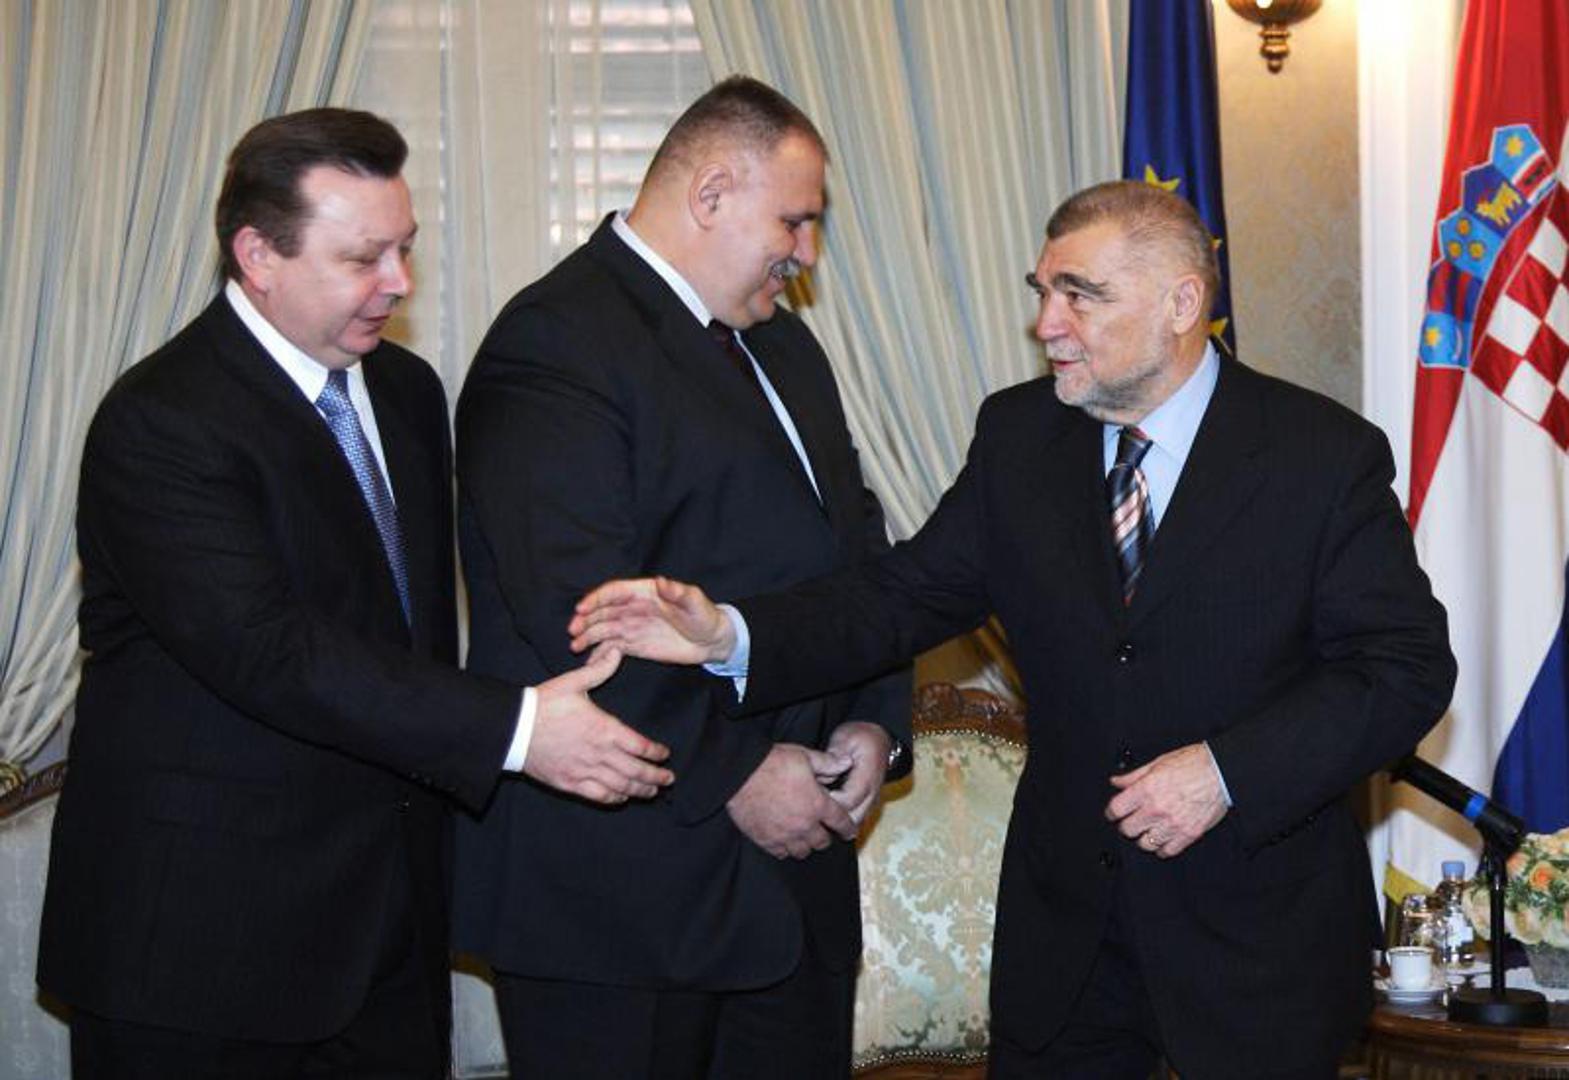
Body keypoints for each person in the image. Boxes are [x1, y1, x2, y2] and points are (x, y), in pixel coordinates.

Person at [570, 180, 1458, 1078]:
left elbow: (1405, 668)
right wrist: (729, 635)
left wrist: (1226, 772)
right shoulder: (1018, 436)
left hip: (1256, 947)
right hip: (1066, 952)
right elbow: (900, 597)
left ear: (1181, 304)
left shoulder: (1319, 454)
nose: (1046, 325)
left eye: (1080, 295)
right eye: (1042, 291)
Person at [37, 107, 672, 1080]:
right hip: (201, 948)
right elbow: (270, 651)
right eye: (363, 257)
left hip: (388, 931)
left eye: (405, 248)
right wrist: (515, 729)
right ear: (259, 255)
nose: (400, 282)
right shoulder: (162, 420)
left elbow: (409, 636)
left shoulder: (408, 392)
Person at [452, 76, 911, 1079]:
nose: (807, 253)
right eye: (794, 221)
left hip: (797, 889)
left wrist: (874, 720)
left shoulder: (786, 347)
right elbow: (581, 613)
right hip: (624, 899)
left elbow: (857, 551)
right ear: (710, 195)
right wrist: (739, 771)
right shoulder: (556, 339)